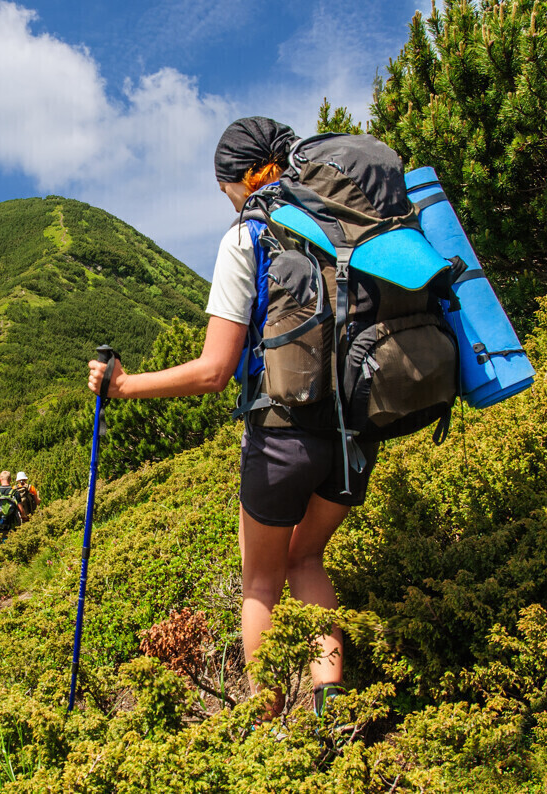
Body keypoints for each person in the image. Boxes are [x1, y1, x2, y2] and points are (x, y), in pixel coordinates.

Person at [87, 117, 380, 718]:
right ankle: (332, 706)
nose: (226, 199)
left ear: (240, 179)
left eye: (224, 189)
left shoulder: (248, 236)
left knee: (261, 584)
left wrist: (123, 386)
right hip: (358, 428)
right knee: (307, 558)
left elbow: (213, 371)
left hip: (282, 438)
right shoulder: (347, 221)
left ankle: (270, 727)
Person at [0, 470, 22, 542]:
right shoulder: (15, 493)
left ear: (0, 479)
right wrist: (25, 518)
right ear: (10, 480)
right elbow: (21, 509)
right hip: (12, 524)